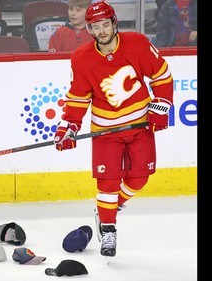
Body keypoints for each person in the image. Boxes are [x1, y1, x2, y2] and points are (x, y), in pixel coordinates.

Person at [53, 1, 174, 257]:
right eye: (95, 27)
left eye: (105, 25)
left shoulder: (137, 44)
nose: (101, 31)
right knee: (107, 184)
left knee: (140, 178)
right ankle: (108, 229)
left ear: (114, 22)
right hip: (106, 131)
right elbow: (77, 98)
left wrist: (161, 106)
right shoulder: (82, 58)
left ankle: (108, 208)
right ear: (89, 29)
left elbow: (162, 77)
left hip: (140, 125)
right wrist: (69, 127)